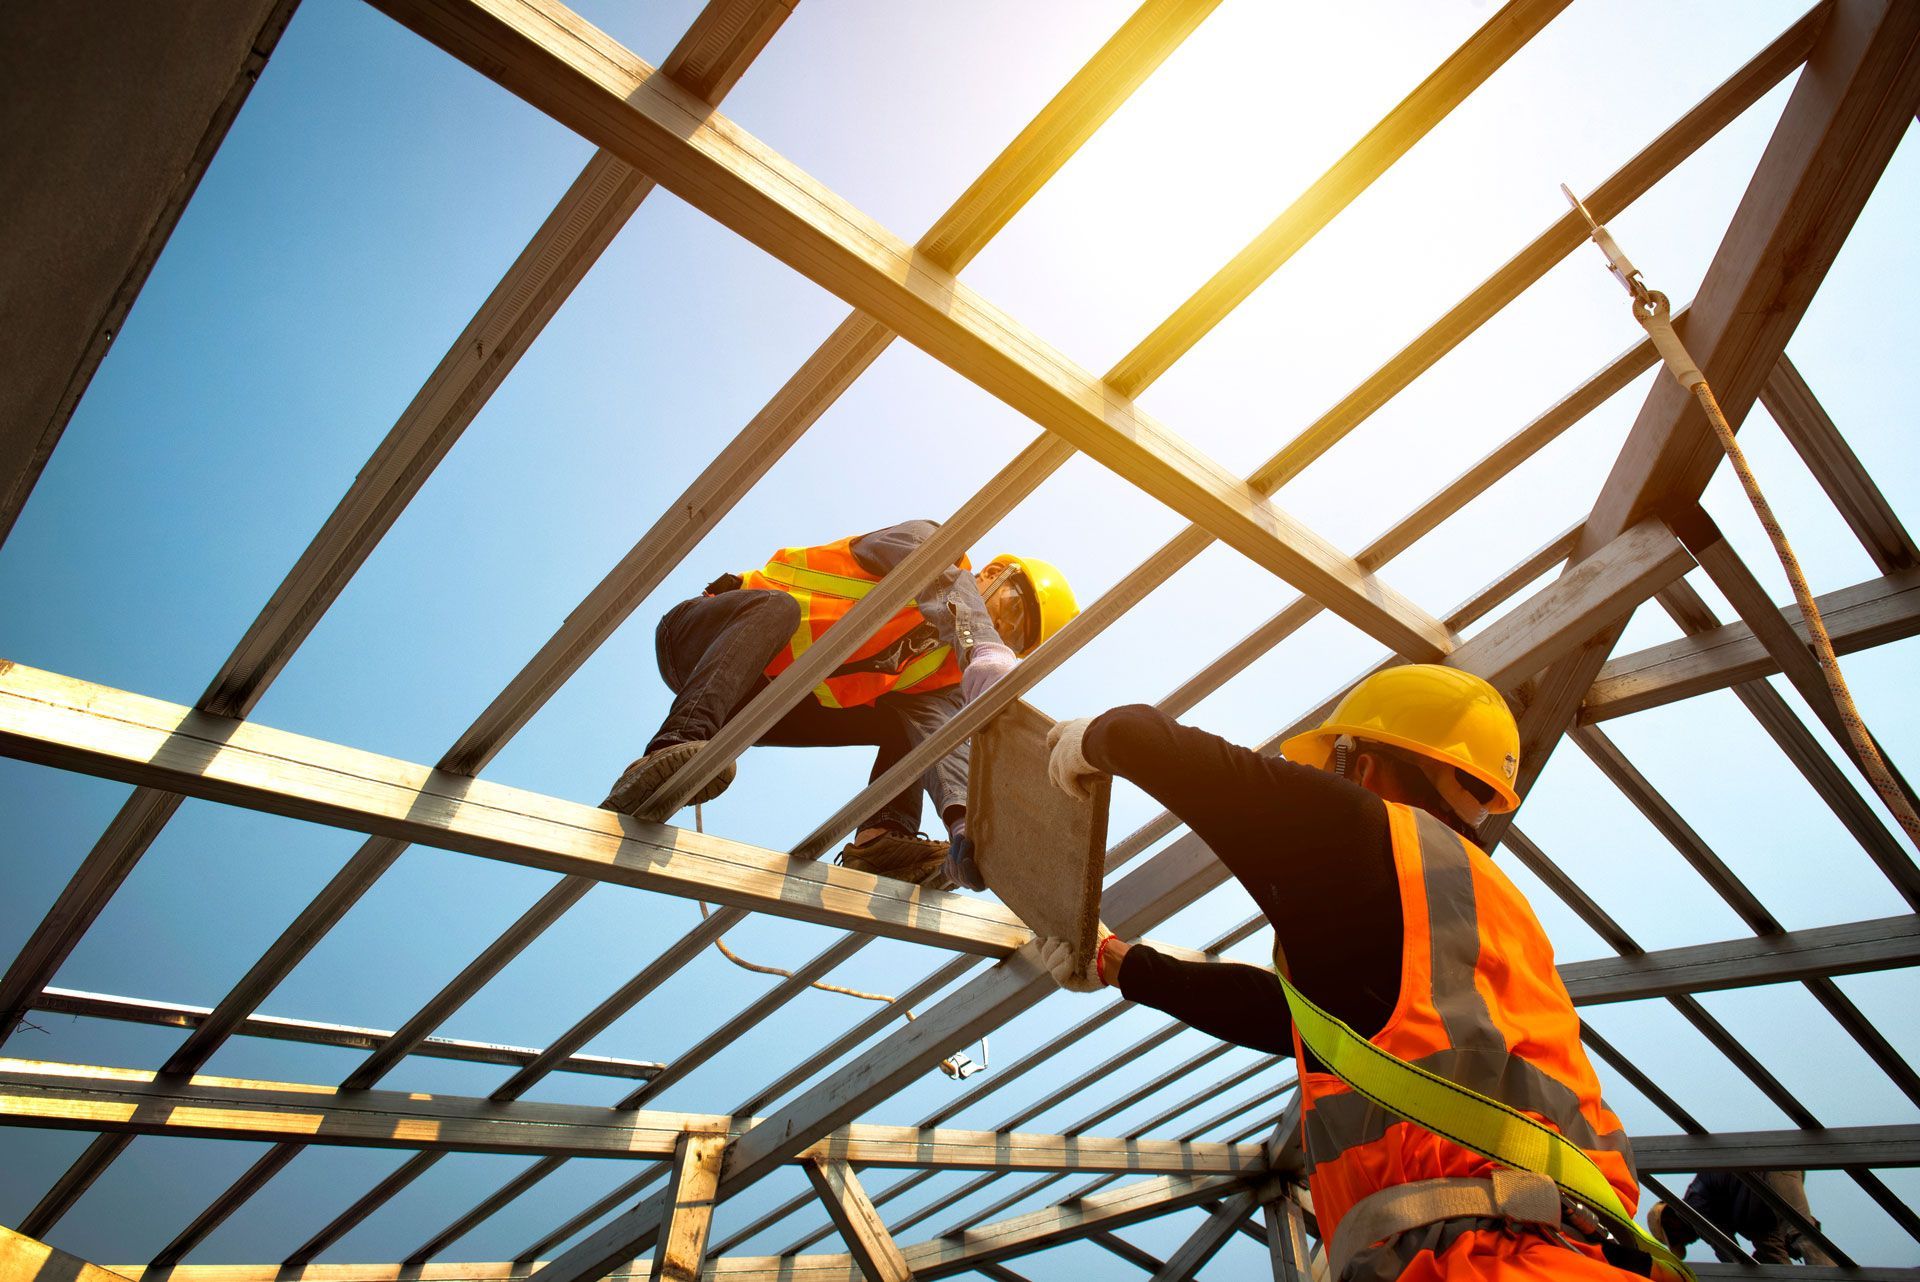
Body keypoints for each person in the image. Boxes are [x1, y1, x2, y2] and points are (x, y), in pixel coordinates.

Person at [1037, 665, 1650, 1280]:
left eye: (1335, 765)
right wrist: (1120, 964)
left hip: (1482, 1259)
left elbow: (1213, 776)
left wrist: (1100, 736)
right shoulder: (1472, 910)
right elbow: (1308, 1024)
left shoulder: (1373, 837)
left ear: (1363, 770)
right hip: (1574, 1254)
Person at [602, 519, 1077, 888]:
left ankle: (882, 840)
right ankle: (673, 749)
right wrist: (983, 644)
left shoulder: (940, 674)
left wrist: (962, 824)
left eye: (1015, 633)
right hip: (705, 642)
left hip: (762, 704)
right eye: (1012, 607)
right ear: (993, 574)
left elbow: (942, 745)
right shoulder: (933, 543)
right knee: (777, 609)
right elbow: (939, 578)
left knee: (906, 720)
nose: (1003, 623)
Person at [1647, 1171, 1833, 1265]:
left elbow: (1728, 1250)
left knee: (1802, 1233)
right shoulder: (1727, 1210)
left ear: (1670, 1220)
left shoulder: (1694, 1206)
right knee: (1772, 1264)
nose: (1688, 1242)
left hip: (1768, 1170)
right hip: (1760, 1214)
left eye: (1677, 1239)